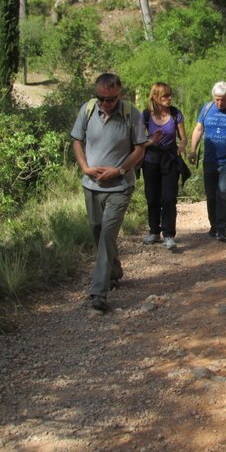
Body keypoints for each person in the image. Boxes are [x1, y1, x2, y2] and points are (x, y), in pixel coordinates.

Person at [70, 73, 148, 312]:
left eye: (110, 99)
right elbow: (77, 141)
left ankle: (98, 292)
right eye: (101, 98)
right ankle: (113, 271)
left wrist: (120, 170)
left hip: (120, 187)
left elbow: (140, 149)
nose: (105, 103)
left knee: (107, 235)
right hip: (91, 185)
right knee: (97, 231)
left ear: (119, 95)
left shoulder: (130, 114)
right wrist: (84, 168)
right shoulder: (88, 110)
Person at [188, 81, 226, 242]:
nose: (220, 103)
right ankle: (213, 225)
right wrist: (192, 149)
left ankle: (222, 227)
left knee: (222, 191)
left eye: (223, 99)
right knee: (210, 193)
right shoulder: (207, 108)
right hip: (210, 160)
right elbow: (199, 128)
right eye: (217, 99)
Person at [141, 82, 187, 250]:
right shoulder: (145, 115)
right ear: (155, 97)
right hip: (150, 159)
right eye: (165, 96)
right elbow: (138, 142)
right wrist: (151, 140)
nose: (169, 99)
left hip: (170, 159)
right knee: (152, 197)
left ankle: (168, 234)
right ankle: (154, 231)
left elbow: (183, 137)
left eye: (170, 95)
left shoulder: (176, 114)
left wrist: (181, 147)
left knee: (169, 197)